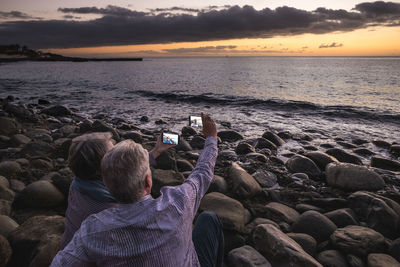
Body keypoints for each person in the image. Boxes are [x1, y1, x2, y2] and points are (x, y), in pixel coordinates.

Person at [51, 113, 224, 267]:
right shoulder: (177, 203)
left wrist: (155, 151)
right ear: (148, 182)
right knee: (209, 219)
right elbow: (202, 173)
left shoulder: (90, 226)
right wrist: (211, 139)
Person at [60, 132, 174, 249]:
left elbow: (127, 169)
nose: (117, 155)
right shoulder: (113, 211)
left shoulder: (79, 183)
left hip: (68, 246)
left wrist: (156, 151)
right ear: (105, 167)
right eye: (113, 154)